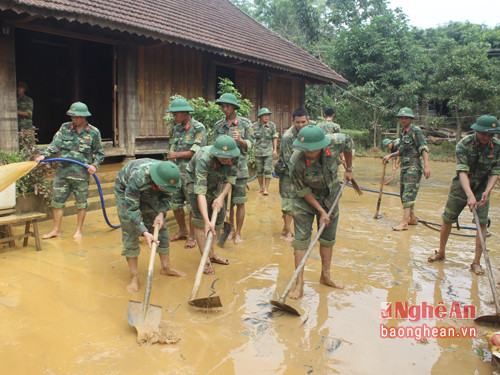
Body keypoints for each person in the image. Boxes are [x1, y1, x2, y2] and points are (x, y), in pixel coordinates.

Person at [427, 115, 500, 275]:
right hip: (461, 188)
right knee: (447, 219)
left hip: (482, 188)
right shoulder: (464, 145)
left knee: (482, 224)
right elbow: (462, 171)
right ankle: (441, 252)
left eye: (491, 135)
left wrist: (487, 192)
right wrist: (469, 194)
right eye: (483, 134)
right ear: (476, 131)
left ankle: (476, 262)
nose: (486, 138)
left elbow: (495, 172)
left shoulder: (497, 146)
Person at [288, 125, 354, 299]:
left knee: (328, 237)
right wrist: (320, 211)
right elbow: (303, 191)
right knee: (301, 241)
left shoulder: (336, 142)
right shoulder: (296, 161)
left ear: (321, 145)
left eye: (310, 149)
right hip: (305, 200)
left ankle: (325, 275)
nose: (307, 152)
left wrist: (349, 169)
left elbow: (349, 144)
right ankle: (299, 282)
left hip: (330, 195)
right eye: (304, 149)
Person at [35, 102, 105, 240]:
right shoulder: (65, 128)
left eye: (77, 117)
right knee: (57, 201)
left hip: (81, 174)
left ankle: (78, 230)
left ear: (84, 117)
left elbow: (99, 153)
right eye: (72, 116)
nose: (74, 119)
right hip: (63, 172)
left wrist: (95, 165)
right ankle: (56, 230)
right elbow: (55, 145)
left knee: (81, 203)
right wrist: (45, 155)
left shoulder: (93, 132)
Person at [114, 159, 186, 292]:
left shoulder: (169, 177)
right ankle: (134, 276)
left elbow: (166, 197)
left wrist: (161, 214)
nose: (166, 189)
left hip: (151, 188)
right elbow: (132, 209)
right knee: (130, 229)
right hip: (125, 190)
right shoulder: (138, 177)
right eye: (163, 187)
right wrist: (144, 231)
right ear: (156, 180)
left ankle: (166, 267)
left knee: (160, 226)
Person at [186, 136, 239, 274]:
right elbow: (201, 192)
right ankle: (205, 261)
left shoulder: (234, 156)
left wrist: (221, 197)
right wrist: (205, 220)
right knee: (200, 221)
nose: (226, 160)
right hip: (195, 184)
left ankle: (211, 253)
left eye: (228, 158)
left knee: (218, 218)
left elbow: (230, 179)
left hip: (218, 183)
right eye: (222, 158)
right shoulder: (204, 158)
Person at [212, 93, 254, 244]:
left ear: (234, 107)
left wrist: (241, 140)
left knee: (239, 201)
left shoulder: (245, 124)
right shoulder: (218, 125)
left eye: (227, 106)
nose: (225, 109)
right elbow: (213, 147)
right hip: (222, 170)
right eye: (223, 106)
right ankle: (229, 229)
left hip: (240, 169)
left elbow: (250, 145)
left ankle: (239, 233)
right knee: (225, 202)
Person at [165, 98, 206, 249]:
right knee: (175, 204)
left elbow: (196, 151)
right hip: (176, 173)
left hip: (191, 174)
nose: (174, 117)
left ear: (185, 113)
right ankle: (182, 230)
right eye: (173, 114)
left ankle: (192, 236)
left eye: (176, 114)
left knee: (192, 206)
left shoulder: (198, 128)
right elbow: (172, 149)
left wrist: (176, 155)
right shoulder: (176, 129)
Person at [382, 107, 430, 231]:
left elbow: (423, 148)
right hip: (405, 167)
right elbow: (402, 151)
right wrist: (390, 155)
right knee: (403, 195)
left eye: (406, 118)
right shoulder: (403, 132)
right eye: (401, 118)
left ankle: (404, 223)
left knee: (408, 195)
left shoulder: (416, 131)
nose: (403, 120)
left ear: (410, 119)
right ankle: (412, 218)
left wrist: (426, 166)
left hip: (414, 167)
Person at [278, 108, 309, 242]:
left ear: (308, 120)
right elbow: (289, 161)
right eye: (298, 122)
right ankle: (287, 230)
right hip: (288, 173)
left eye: (303, 122)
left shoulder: (310, 132)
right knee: (288, 202)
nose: (301, 125)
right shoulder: (287, 137)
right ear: (293, 121)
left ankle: (296, 229)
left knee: (302, 201)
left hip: (304, 172)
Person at [251, 107, 278, 195]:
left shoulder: (272, 125)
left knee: (268, 170)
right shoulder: (254, 126)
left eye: (268, 115)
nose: (267, 117)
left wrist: (275, 150)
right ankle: (261, 188)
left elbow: (274, 137)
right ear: (260, 116)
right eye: (265, 115)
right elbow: (251, 138)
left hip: (268, 152)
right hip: (258, 152)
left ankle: (266, 188)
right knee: (259, 170)